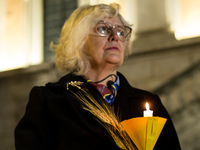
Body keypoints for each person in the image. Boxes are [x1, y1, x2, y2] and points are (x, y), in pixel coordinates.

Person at [15, 3, 181, 150]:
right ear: (78, 41)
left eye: (121, 31)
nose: (115, 36)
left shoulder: (149, 104)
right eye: (103, 28)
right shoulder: (48, 101)